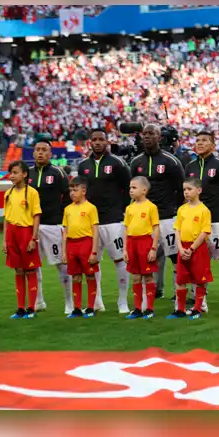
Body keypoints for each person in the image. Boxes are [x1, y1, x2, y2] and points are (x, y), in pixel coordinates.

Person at [183, 130, 219, 316]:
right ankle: (201, 303)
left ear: (213, 145)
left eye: (204, 140)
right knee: (197, 263)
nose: (199, 143)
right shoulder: (190, 166)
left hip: (216, 221)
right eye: (197, 140)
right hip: (195, 224)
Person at [77, 128, 132, 314]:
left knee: (120, 260)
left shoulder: (118, 163)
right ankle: (97, 301)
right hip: (92, 222)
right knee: (93, 262)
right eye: (95, 139)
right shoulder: (83, 165)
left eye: (101, 139)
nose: (98, 142)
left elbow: (128, 188)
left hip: (114, 220)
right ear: (90, 142)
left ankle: (122, 301)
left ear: (107, 142)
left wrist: (122, 210)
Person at [128, 124, 184, 301]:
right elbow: (133, 189)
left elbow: (181, 189)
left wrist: (174, 210)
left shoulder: (171, 161)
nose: (147, 137)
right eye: (145, 134)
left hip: (167, 216)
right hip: (144, 219)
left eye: (151, 134)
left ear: (159, 137)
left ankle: (178, 292)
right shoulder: (136, 162)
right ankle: (148, 295)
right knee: (146, 256)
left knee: (174, 255)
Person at [29, 141, 75, 314]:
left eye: (44, 150)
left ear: (50, 154)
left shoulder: (58, 173)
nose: (40, 153)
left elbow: (68, 196)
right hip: (32, 227)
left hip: (53, 226)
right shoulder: (28, 174)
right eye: (37, 150)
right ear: (33, 153)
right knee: (33, 265)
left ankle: (69, 303)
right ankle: (39, 301)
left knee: (62, 265)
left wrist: (61, 217)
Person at [2, 160, 41, 319]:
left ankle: (31, 308)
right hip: (12, 233)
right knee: (18, 270)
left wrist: (34, 237)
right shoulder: (8, 194)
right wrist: (4, 240)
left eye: (15, 173)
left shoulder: (32, 193)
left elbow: (36, 215)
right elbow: (6, 218)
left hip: (26, 233)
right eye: (11, 173)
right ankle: (20, 308)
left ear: (24, 174)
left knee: (30, 270)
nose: (12, 176)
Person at [171, 178, 213, 320]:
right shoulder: (182, 209)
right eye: (184, 190)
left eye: (189, 189)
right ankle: (180, 309)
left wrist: (192, 249)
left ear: (199, 190)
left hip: (198, 248)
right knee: (181, 279)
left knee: (199, 279)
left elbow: (204, 232)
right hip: (183, 247)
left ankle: (197, 308)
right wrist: (181, 248)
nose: (186, 192)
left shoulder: (204, 210)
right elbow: (177, 229)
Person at [60, 176, 100, 318]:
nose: (72, 193)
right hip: (71, 245)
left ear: (83, 191)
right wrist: (64, 252)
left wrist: (94, 251)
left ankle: (90, 307)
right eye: (70, 190)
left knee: (89, 275)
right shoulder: (67, 209)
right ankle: (77, 308)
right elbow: (65, 231)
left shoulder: (91, 208)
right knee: (75, 277)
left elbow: (95, 230)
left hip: (86, 243)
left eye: (75, 190)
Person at [121, 176, 161, 320]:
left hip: (145, 242)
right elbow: (125, 228)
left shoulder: (151, 207)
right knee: (136, 277)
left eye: (134, 187)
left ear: (144, 190)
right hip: (132, 243)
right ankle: (137, 308)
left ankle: (149, 308)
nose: (131, 190)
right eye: (130, 188)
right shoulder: (129, 208)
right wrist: (125, 249)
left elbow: (156, 228)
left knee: (148, 276)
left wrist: (153, 248)